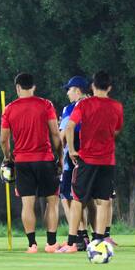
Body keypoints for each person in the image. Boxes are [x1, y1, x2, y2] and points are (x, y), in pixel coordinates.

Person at [0, 73, 62, 253]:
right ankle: (51, 244)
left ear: (17, 87)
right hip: (44, 160)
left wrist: (7, 157)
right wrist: (60, 157)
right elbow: (55, 133)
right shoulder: (46, 104)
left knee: (27, 204)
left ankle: (32, 244)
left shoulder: (9, 109)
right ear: (34, 87)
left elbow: (3, 140)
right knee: (52, 202)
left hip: (22, 162)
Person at [62, 71, 123, 252]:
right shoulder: (117, 106)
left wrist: (72, 150)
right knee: (103, 201)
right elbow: (117, 131)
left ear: (92, 86)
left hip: (86, 159)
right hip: (107, 160)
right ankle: (98, 241)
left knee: (77, 200)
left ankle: (72, 243)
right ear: (109, 87)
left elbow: (70, 127)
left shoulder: (84, 104)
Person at [58, 76, 93, 244]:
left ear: (78, 90)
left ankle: (79, 236)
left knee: (67, 196)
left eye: (69, 90)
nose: (67, 93)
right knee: (92, 198)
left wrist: (58, 156)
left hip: (73, 157)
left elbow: (63, 135)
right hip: (96, 155)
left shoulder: (70, 108)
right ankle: (99, 236)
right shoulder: (96, 105)